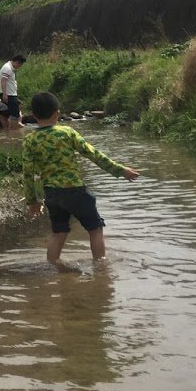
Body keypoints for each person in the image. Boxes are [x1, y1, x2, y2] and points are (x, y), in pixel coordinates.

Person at [23, 90, 139, 268]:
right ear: (58, 114)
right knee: (95, 227)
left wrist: (32, 202)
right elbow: (93, 154)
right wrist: (121, 171)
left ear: (33, 116)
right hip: (75, 191)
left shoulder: (30, 140)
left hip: (52, 194)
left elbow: (28, 174)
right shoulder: (67, 132)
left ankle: (53, 267)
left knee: (58, 233)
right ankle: (101, 267)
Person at [0, 54, 27, 123]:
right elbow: (3, 81)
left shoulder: (9, 67)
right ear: (17, 62)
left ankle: (9, 131)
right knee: (15, 116)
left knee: (12, 115)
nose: (19, 67)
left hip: (10, 94)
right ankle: (15, 132)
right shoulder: (7, 68)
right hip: (9, 95)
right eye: (20, 65)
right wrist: (5, 94)